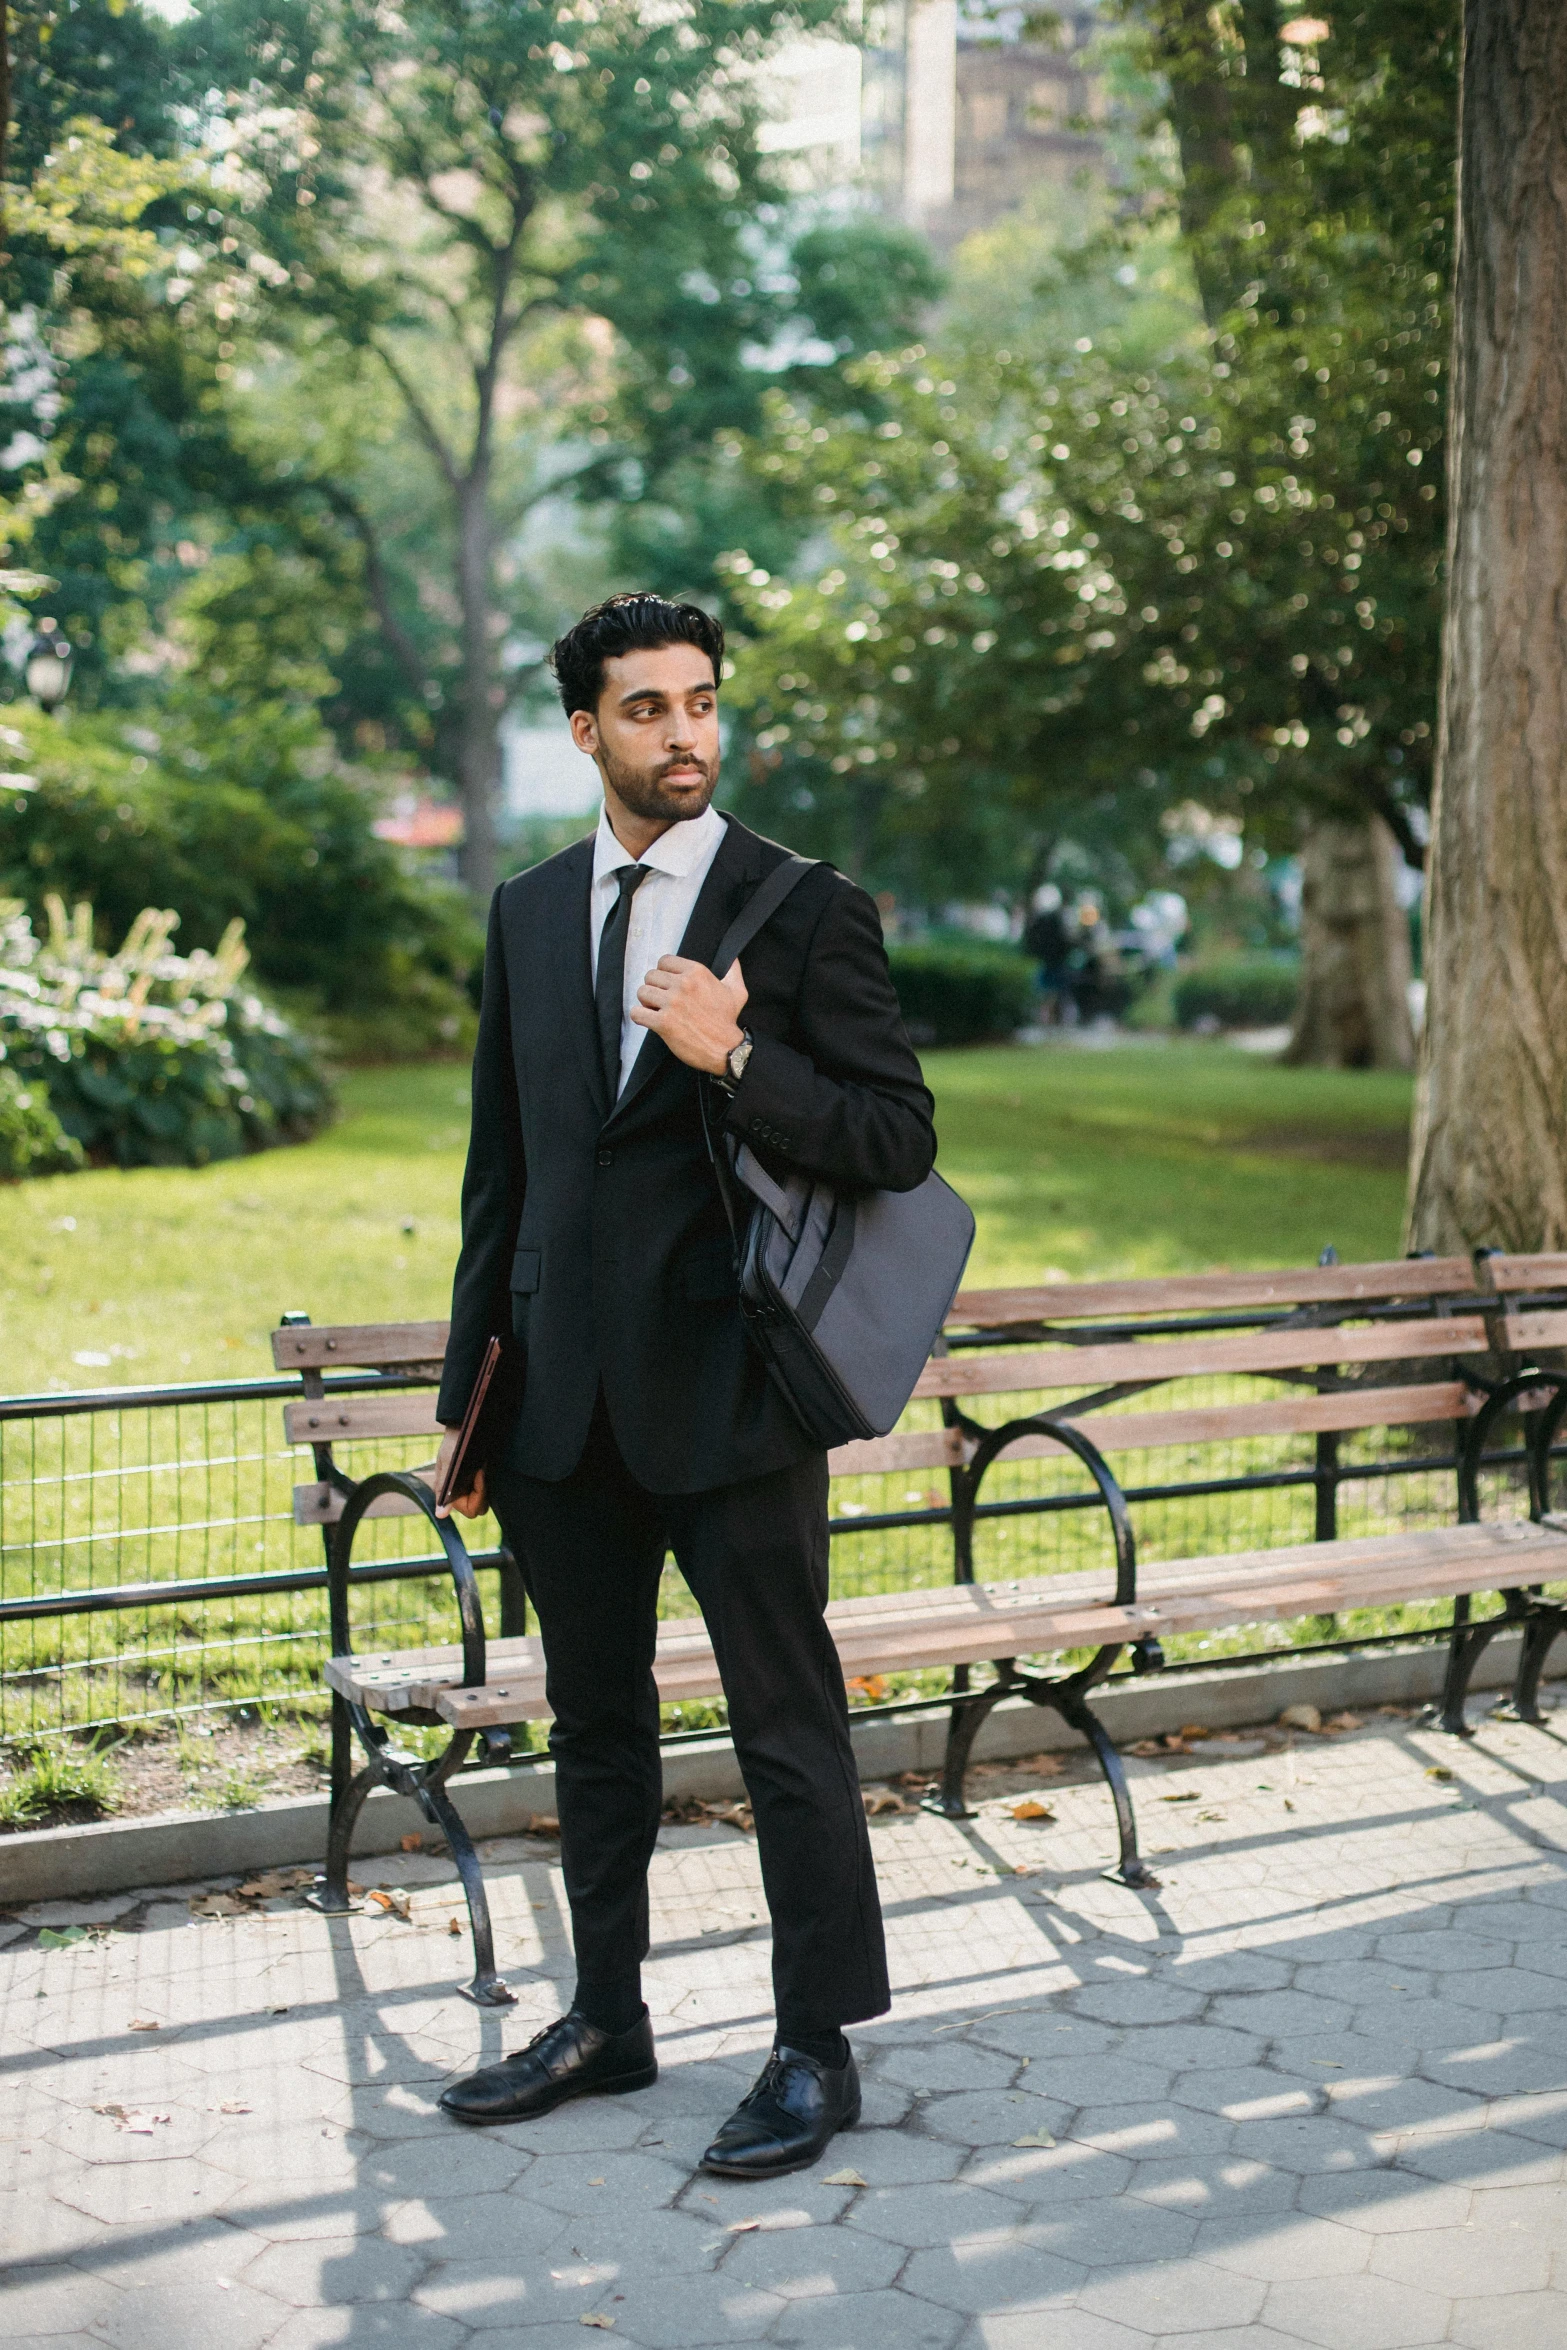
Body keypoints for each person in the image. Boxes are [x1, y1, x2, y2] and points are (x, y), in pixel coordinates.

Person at [431, 592, 936, 2177]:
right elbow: (498, 1172)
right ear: (584, 729)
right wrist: (471, 1401)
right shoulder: (523, 911)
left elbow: (894, 1141)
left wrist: (733, 1058)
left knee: (785, 1722)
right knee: (595, 1725)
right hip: (560, 1409)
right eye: (645, 708)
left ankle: (812, 2043)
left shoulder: (800, 910)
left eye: (701, 701)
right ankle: (606, 2015)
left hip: (734, 1396)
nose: (685, 734)